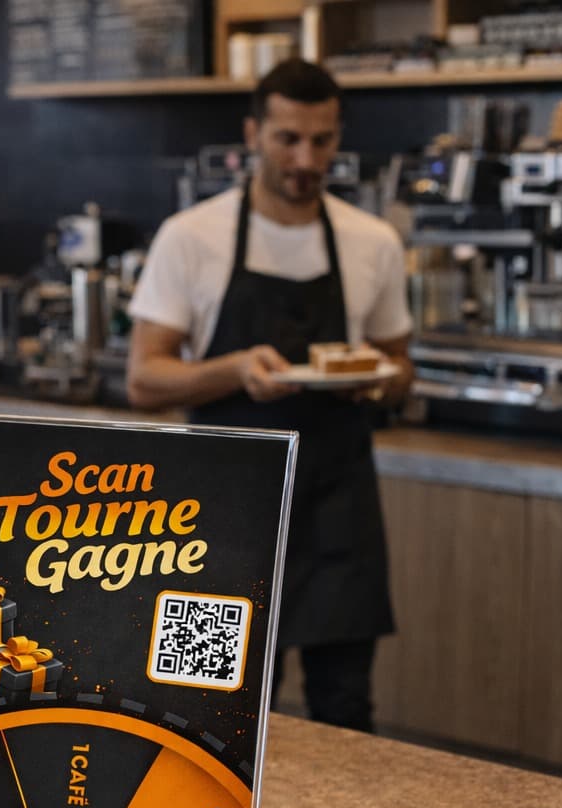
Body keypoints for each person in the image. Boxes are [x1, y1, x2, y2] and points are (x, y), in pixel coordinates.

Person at [125, 59, 414, 734]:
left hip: (337, 509)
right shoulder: (190, 237)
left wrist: (378, 374)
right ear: (254, 132)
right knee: (208, 719)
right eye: (288, 138)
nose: (305, 158)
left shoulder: (372, 243)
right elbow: (145, 379)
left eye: (322, 140)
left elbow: (402, 365)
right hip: (218, 518)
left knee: (345, 713)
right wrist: (233, 370)